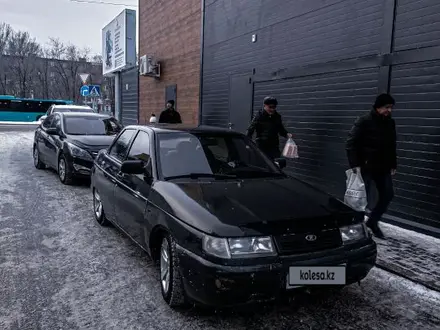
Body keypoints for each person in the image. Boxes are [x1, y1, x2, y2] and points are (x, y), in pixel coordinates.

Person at [345, 93, 397, 239]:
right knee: (361, 199)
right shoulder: (364, 121)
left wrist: (393, 163)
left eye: (391, 108)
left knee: (387, 194)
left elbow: (392, 144)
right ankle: (358, 228)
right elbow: (350, 143)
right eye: (387, 107)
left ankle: (372, 222)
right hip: (365, 167)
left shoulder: (390, 123)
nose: (389, 111)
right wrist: (355, 165)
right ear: (378, 106)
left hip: (383, 166)